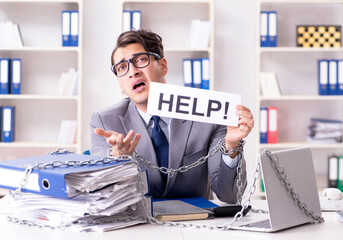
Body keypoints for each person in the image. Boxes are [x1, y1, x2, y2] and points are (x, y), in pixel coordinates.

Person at [90, 29, 254, 203]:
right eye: (122, 67)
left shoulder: (208, 114)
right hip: (137, 226)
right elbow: (101, 198)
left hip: (198, 223)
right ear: (119, 81)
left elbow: (229, 195)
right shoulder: (104, 122)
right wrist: (118, 159)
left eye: (140, 60)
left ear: (163, 66)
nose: (132, 72)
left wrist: (231, 145)